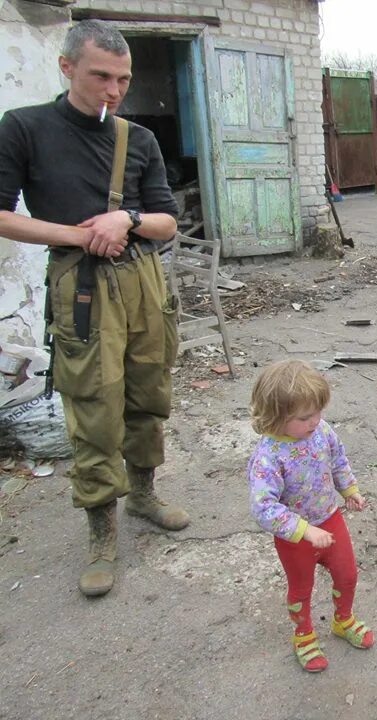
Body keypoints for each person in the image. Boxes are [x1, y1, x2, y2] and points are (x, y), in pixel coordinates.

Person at [0, 20, 188, 597]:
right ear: (66, 68)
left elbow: (167, 221)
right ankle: (101, 528)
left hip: (143, 281)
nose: (113, 89)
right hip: (78, 283)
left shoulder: (139, 140)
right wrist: (80, 234)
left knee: (147, 392)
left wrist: (124, 219)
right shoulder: (24, 128)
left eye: (123, 78)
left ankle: (144, 495)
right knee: (92, 403)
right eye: (100, 76)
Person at [248, 360, 375, 673]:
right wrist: (303, 530)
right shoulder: (268, 456)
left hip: (330, 519)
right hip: (295, 537)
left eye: (318, 412)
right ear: (275, 416)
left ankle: (343, 619)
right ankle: (303, 634)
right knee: (301, 589)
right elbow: (263, 507)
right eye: (305, 417)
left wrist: (350, 492)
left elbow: (338, 461)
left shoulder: (322, 432)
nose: (315, 421)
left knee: (348, 575)